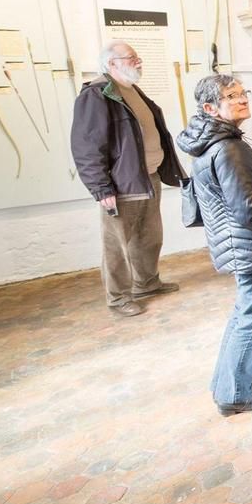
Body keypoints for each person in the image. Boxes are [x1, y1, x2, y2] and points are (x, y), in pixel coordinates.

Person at [177, 74, 252, 416]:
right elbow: (251, 208)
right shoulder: (227, 147)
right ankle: (235, 395)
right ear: (210, 107)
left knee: (243, 313)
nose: (243, 99)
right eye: (232, 96)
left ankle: (228, 382)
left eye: (243, 93)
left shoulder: (214, 140)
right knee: (250, 316)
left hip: (241, 245)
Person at [71, 41, 184, 318]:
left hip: (149, 177)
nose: (139, 61)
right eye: (131, 57)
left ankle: (146, 283)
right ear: (111, 63)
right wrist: (100, 188)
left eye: (136, 56)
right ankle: (118, 298)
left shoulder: (131, 90)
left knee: (149, 237)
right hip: (122, 185)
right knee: (117, 246)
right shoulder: (97, 95)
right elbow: (87, 146)